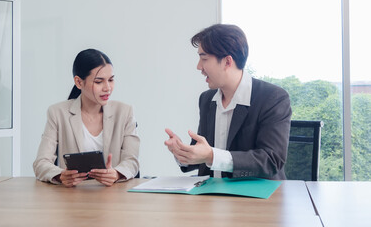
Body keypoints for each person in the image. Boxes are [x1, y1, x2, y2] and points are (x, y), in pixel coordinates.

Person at [164, 24, 291, 180]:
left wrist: (211, 156)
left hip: (255, 199)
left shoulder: (273, 98)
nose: (199, 67)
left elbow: (271, 160)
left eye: (204, 59)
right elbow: (202, 156)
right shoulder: (206, 99)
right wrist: (183, 153)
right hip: (211, 196)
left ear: (227, 62)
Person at [33, 48, 140, 187]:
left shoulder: (125, 112)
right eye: (99, 81)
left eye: (111, 80)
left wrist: (116, 173)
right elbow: (41, 163)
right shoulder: (57, 113)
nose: (107, 88)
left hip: (113, 196)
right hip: (72, 198)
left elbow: (132, 161)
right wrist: (60, 175)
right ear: (78, 82)